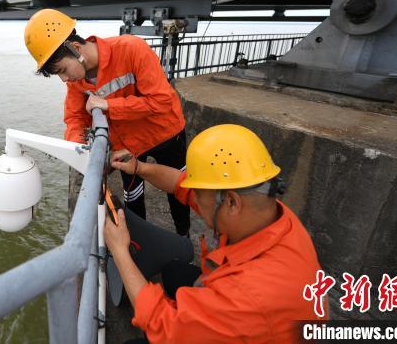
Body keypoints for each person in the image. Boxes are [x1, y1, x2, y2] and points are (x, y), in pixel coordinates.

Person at [104, 124, 327, 343]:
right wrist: (139, 168)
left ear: (231, 201)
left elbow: (163, 328)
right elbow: (180, 185)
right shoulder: (271, 215)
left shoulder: (246, 296)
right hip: (258, 319)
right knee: (174, 272)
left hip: (250, 315)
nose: (194, 198)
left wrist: (120, 249)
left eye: (200, 195)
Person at [24, 8, 190, 235]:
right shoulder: (77, 80)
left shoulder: (132, 49)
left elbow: (161, 101)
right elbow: (75, 118)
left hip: (166, 133)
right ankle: (137, 243)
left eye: (62, 70)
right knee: (133, 199)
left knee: (179, 191)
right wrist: (80, 149)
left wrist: (109, 105)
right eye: (58, 75)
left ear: (76, 48)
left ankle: (184, 236)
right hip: (129, 144)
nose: (64, 79)